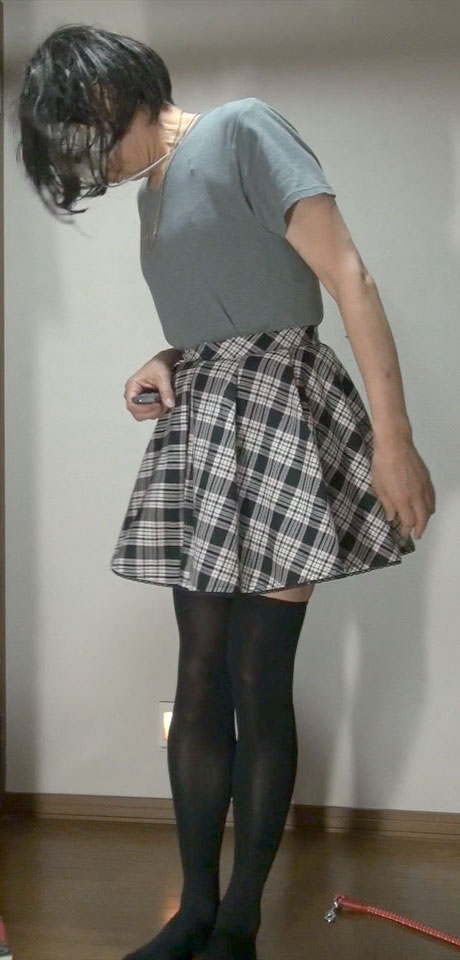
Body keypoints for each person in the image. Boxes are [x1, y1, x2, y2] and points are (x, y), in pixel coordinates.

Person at [16, 22, 435, 960]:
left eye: (81, 139)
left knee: (257, 676)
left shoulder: (244, 128)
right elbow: (224, 305)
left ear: (108, 94)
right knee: (198, 673)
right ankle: (194, 912)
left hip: (286, 409)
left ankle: (240, 922)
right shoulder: (149, 192)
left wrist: (394, 440)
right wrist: (165, 358)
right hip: (204, 420)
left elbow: (347, 276)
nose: (88, 166)